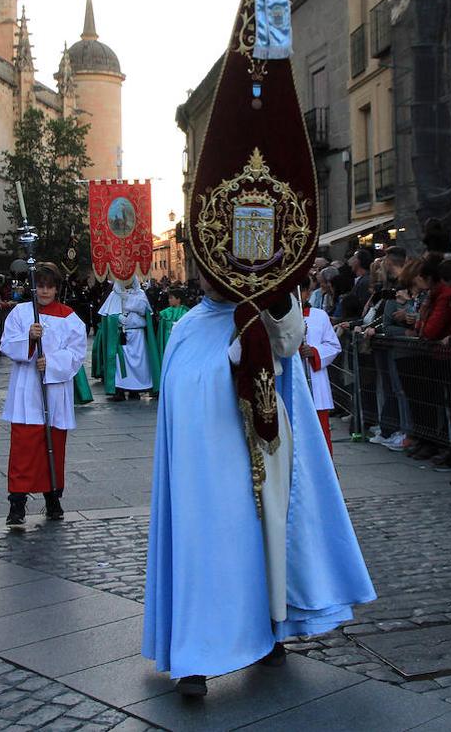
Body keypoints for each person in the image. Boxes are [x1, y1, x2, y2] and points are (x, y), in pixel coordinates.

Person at [143, 276, 376, 696]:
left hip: (256, 451)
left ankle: (267, 629)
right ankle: (195, 653)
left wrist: (274, 295)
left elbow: (288, 342)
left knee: (265, 538)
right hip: (201, 463)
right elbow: (182, 393)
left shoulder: (260, 310)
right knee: (202, 545)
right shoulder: (188, 327)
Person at [0, 263, 87, 526]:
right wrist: (28, 338)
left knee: (53, 445)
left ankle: (52, 498)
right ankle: (17, 503)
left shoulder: (70, 317)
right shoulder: (20, 312)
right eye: (40, 285)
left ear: (57, 288)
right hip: (27, 390)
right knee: (24, 447)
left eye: (49, 286)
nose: (45, 291)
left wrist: (51, 362)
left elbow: (77, 353)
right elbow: (5, 343)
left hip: (54, 391)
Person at [299, 275, 342, 456]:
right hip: (292, 380)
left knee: (320, 436)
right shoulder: (278, 319)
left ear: (308, 293)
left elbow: (333, 345)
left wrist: (314, 352)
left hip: (314, 382)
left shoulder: (319, 316)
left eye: (299, 291)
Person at [96, 279, 158, 401]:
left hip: (137, 335)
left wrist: (129, 304)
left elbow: (144, 310)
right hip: (121, 335)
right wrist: (116, 318)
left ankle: (135, 390)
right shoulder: (114, 295)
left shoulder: (140, 294)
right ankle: (119, 389)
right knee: (120, 363)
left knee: (139, 363)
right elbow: (107, 316)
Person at [154, 287, 189, 363]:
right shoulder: (165, 312)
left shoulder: (185, 311)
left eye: (171, 298)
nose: (169, 300)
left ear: (178, 299)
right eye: (169, 298)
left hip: (179, 340)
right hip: (167, 339)